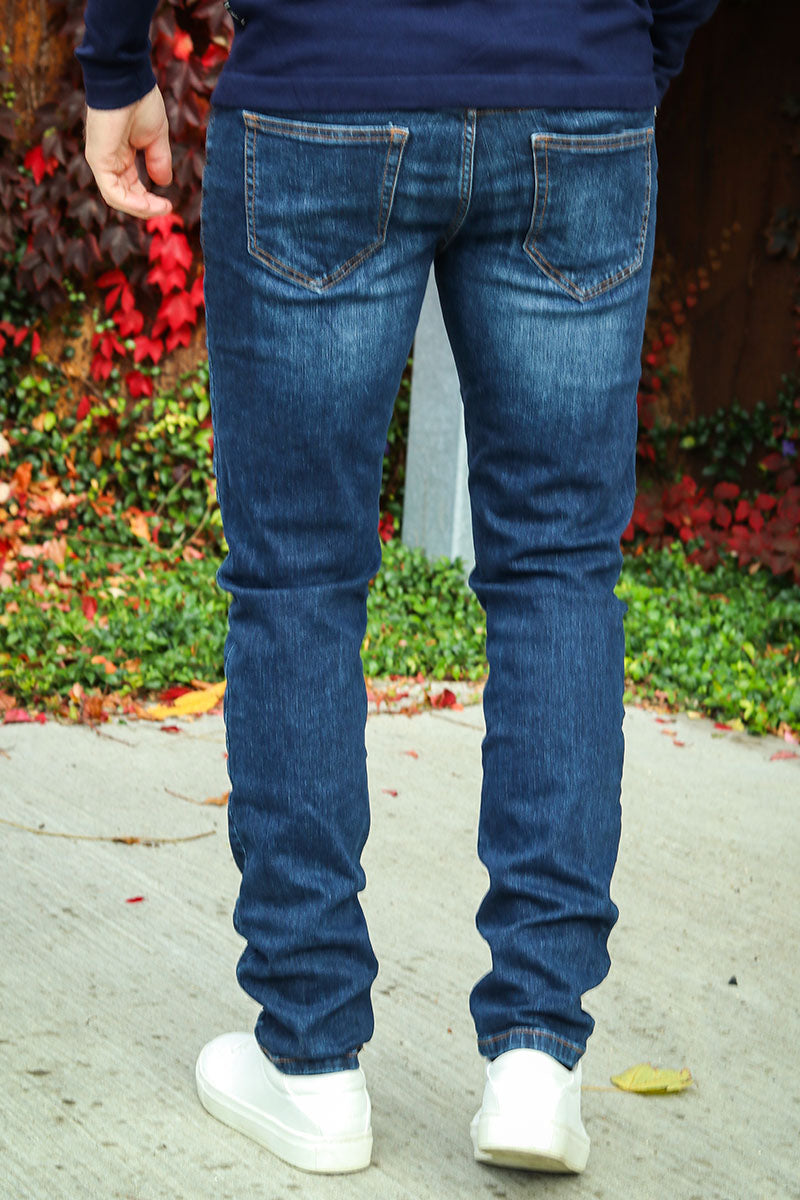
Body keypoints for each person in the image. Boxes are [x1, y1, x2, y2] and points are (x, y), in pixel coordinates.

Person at [77, 0, 718, 1177]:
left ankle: (310, 1063)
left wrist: (115, 62)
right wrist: (626, 45)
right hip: (574, 87)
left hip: (326, 85)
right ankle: (535, 1061)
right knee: (557, 571)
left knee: (297, 580)